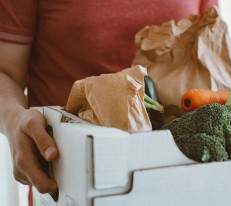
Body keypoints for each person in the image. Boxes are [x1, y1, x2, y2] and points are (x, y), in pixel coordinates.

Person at [0, 0, 218, 203]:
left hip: (178, 185)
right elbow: (5, 71)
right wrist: (13, 120)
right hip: (71, 178)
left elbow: (210, 49)